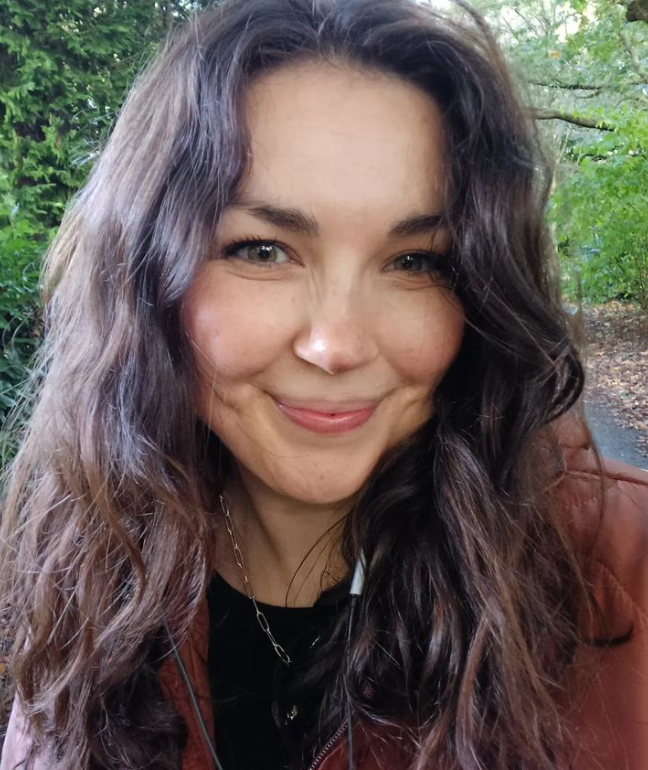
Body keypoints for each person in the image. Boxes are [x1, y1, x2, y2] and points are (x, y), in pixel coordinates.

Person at [1, 0, 647, 768]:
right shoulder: (71, 567)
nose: (335, 345)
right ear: (145, 276)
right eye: (263, 250)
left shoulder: (622, 566)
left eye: (417, 261)